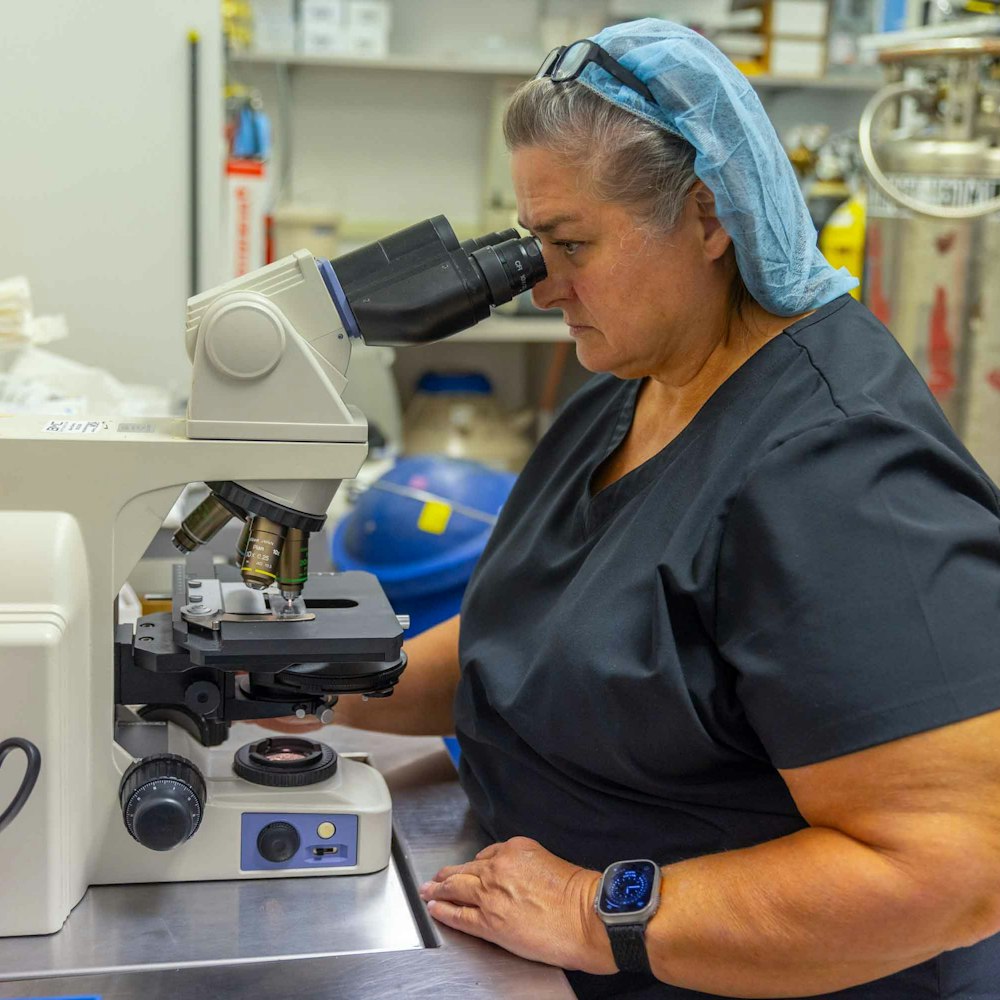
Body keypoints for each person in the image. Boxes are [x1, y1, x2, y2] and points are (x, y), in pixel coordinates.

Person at [336, 19, 1000, 1000]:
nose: (546, 284)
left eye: (571, 245)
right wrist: (323, 684)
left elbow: (950, 870)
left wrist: (596, 911)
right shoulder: (631, 376)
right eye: (533, 245)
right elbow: (539, 632)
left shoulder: (835, 466)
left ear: (705, 216)